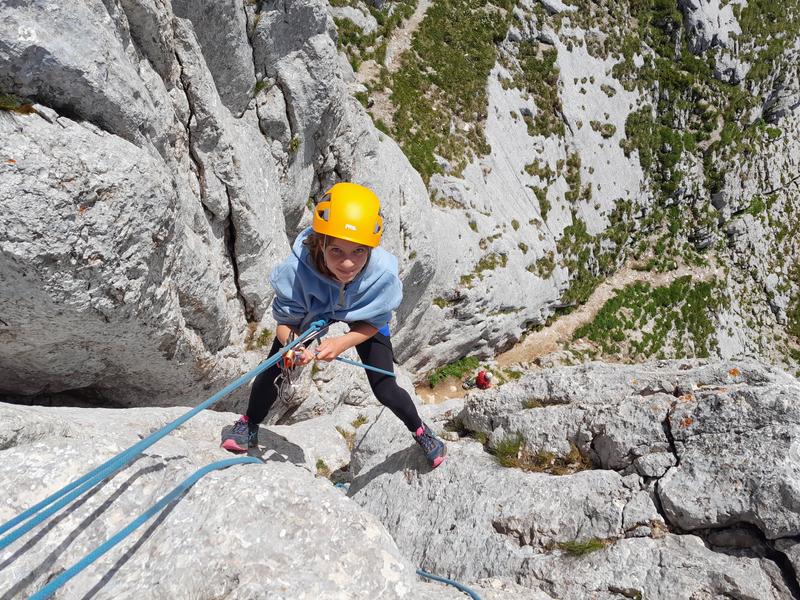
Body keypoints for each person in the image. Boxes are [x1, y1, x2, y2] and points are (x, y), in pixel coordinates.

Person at [221, 182, 447, 468]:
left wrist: (340, 343)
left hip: (364, 314)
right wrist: (295, 347)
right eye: (337, 251)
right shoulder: (298, 270)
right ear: (320, 242)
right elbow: (286, 320)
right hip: (316, 303)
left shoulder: (382, 277)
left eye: (359, 252)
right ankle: (249, 423)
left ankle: (422, 432)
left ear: (370, 249)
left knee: (385, 387)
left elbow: (375, 323)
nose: (348, 264)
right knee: (279, 360)